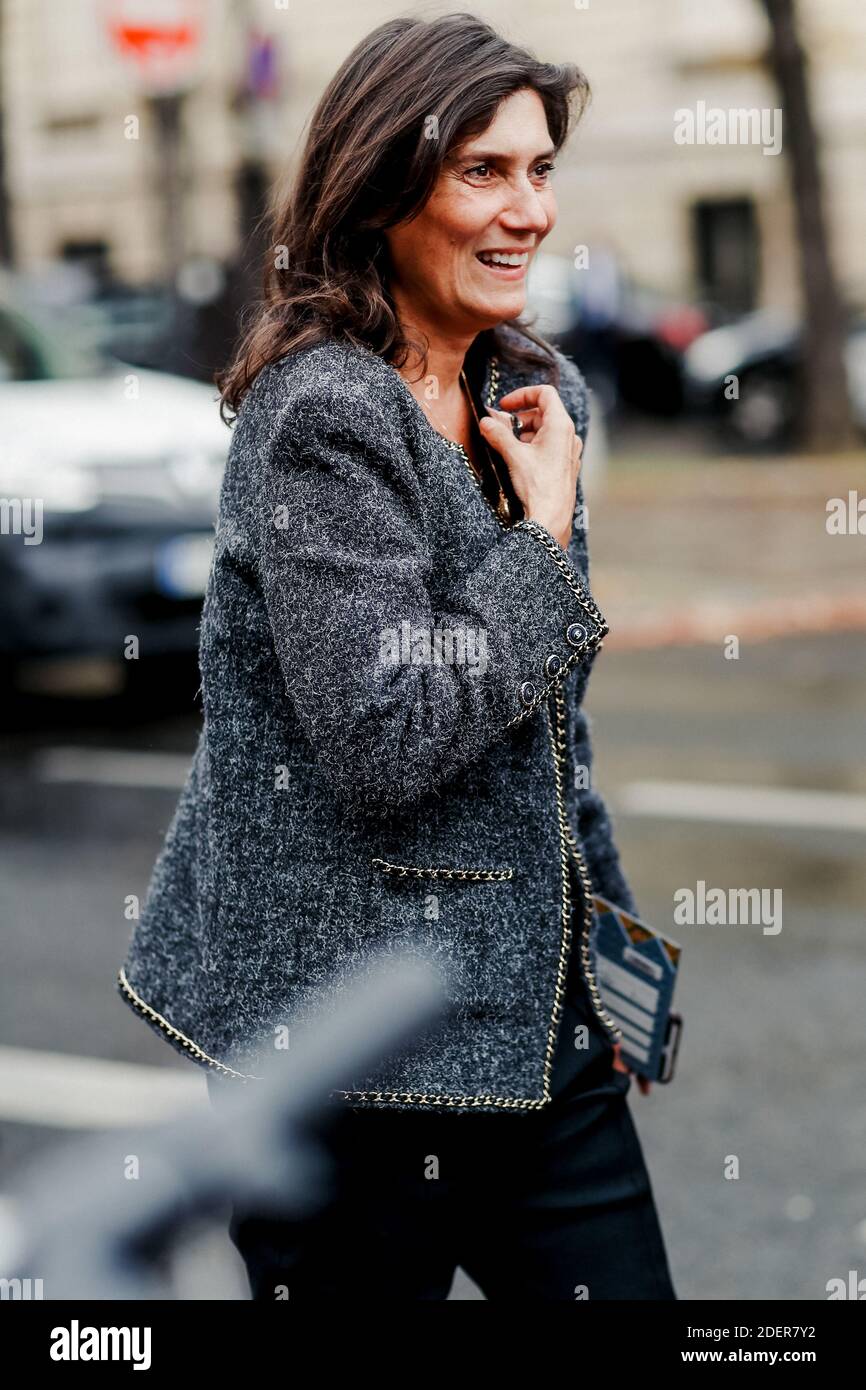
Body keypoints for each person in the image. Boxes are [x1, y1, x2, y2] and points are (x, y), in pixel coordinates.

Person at [117, 12, 676, 1301]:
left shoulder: (534, 397)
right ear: (380, 188)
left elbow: (549, 724)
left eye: (539, 169)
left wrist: (616, 947)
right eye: (482, 171)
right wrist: (537, 536)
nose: (526, 209)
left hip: (536, 1028)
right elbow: (387, 737)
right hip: (342, 1049)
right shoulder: (319, 418)